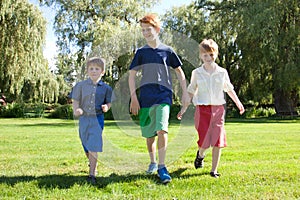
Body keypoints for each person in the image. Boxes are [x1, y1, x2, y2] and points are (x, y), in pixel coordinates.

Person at [128, 14, 189, 184]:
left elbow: (179, 73)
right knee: (150, 136)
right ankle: (153, 162)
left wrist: (184, 93)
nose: (146, 32)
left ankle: (162, 167)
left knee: (162, 129)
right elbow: (132, 75)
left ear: (157, 29)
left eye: (149, 29)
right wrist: (134, 97)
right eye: (143, 30)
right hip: (146, 97)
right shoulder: (141, 52)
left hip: (163, 95)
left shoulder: (167, 51)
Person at [177, 39, 245, 178]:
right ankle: (200, 154)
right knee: (205, 142)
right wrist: (184, 108)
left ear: (216, 54)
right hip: (202, 111)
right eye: (205, 55)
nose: (208, 58)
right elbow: (191, 91)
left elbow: (229, 89)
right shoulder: (197, 73)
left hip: (218, 109)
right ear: (201, 56)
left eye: (211, 55)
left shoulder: (222, 72)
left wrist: (238, 103)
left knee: (218, 140)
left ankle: (214, 170)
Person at [70, 57, 112, 184]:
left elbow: (109, 102)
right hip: (84, 119)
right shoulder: (80, 86)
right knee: (86, 144)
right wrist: (76, 109)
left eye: (97, 69)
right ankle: (91, 162)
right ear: (87, 71)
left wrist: (107, 107)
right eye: (91, 69)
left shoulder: (106, 88)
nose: (94, 71)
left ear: (102, 72)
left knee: (93, 144)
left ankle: (92, 174)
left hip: (97, 119)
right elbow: (75, 100)